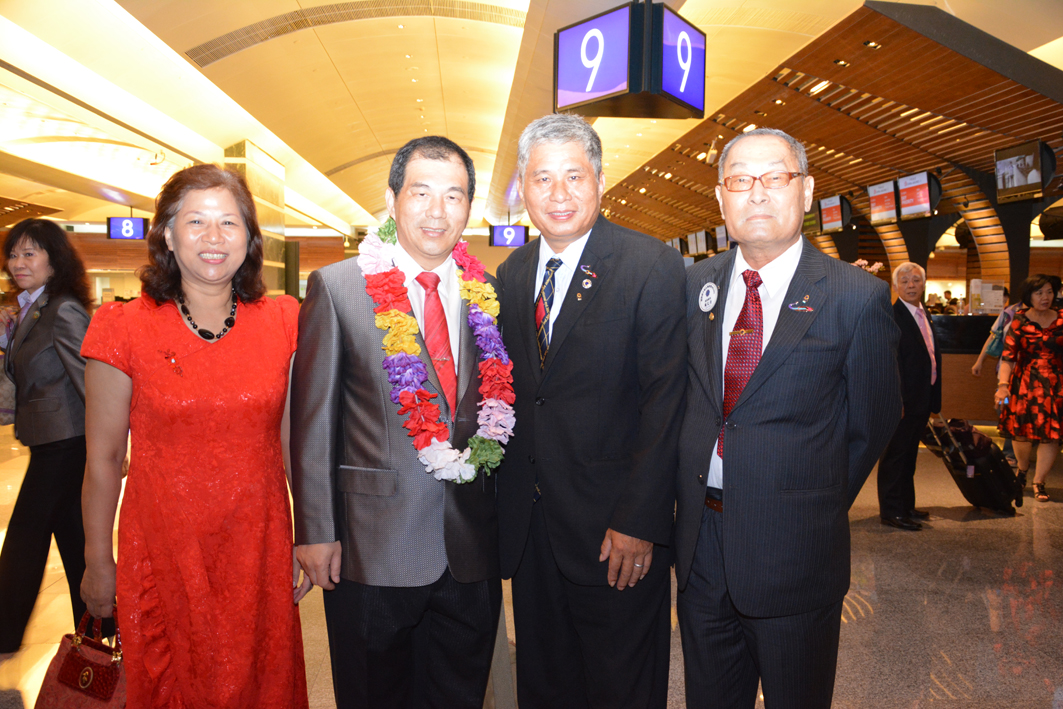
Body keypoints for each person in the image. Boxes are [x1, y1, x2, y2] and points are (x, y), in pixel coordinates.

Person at [674, 128, 901, 709]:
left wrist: (809, 502)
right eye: (740, 180)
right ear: (720, 197)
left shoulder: (856, 296)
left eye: (775, 177)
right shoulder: (692, 286)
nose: (757, 193)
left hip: (795, 551)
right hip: (702, 549)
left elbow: (872, 423)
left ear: (807, 191)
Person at [79, 164, 309, 708]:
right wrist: (97, 559)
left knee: (262, 682)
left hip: (258, 544)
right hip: (163, 548)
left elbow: (293, 445)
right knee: (172, 684)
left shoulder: (283, 320)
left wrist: (308, 533)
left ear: (250, 237)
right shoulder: (123, 327)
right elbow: (104, 459)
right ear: (166, 234)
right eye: (196, 221)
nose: (214, 237)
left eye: (229, 222)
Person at [291, 136, 504, 709]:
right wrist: (315, 530)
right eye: (421, 192)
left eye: (454, 196)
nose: (438, 211)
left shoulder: (488, 293)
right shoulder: (338, 288)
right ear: (391, 200)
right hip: (372, 546)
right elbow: (312, 422)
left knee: (459, 695)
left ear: (469, 207)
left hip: (469, 551)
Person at [494, 114, 687, 709]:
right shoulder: (512, 273)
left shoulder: (648, 264)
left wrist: (641, 521)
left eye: (574, 176)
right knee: (545, 686)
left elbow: (666, 401)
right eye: (542, 178)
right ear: (523, 187)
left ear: (600, 181)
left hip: (615, 536)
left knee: (621, 688)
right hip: (534, 534)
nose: (559, 194)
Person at [0, 218, 102, 658]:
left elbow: (91, 380)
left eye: (29, 253)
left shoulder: (62, 310)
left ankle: (3, 632)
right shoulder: (30, 309)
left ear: (54, 260)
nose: (18, 263)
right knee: (74, 539)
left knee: (25, 536)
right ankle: (100, 627)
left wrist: (109, 445)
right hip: (48, 441)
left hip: (67, 443)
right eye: (13, 254)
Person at [878, 262, 941, 531]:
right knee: (896, 456)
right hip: (903, 400)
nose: (911, 285)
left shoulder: (922, 312)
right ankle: (892, 511)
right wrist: (897, 400)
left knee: (909, 455)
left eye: (915, 280)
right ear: (895, 286)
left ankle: (906, 505)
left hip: (921, 396)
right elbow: (890, 363)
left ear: (923, 284)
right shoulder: (893, 316)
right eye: (904, 281)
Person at [994, 274, 1062, 502]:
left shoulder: (1062, 319)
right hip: (1024, 383)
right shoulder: (1020, 321)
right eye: (1039, 293)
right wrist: (1002, 386)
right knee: (1021, 433)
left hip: (1056, 384)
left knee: (1051, 435)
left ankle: (1039, 481)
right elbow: (1008, 357)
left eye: (1050, 292)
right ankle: (1022, 470)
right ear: (1029, 296)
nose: (1045, 297)